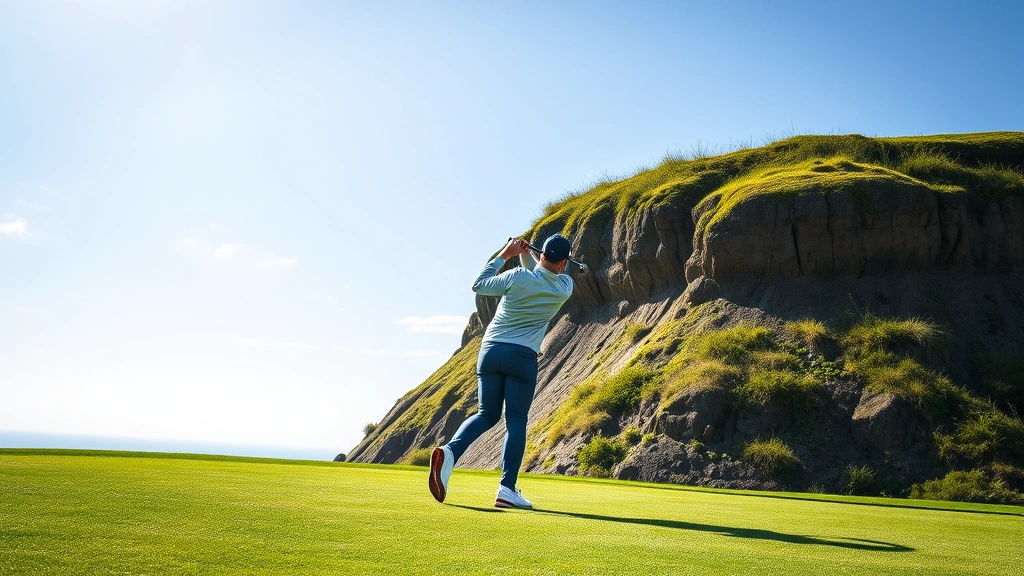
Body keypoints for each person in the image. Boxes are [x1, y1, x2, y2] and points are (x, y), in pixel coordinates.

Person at [428, 234, 575, 509]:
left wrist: (506, 254)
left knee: (487, 414)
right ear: (564, 263)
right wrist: (524, 256)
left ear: (540, 253)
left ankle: (449, 452)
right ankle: (506, 489)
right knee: (516, 420)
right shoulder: (565, 287)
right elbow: (542, 275)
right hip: (522, 357)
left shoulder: (517, 277)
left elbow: (479, 285)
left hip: (491, 352)